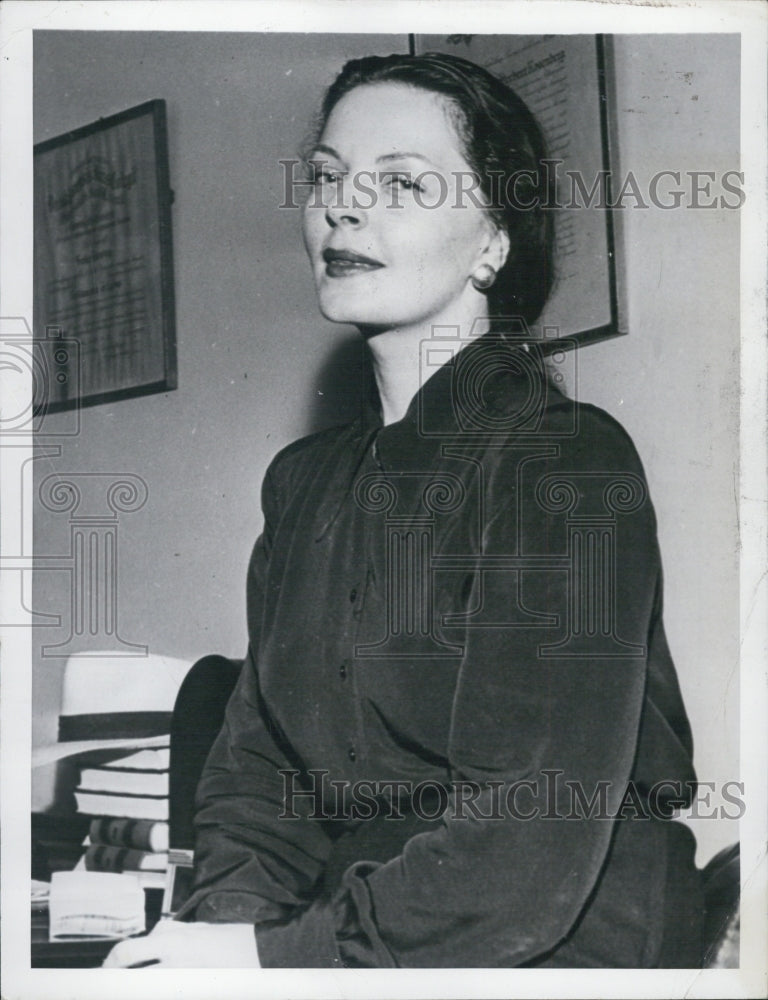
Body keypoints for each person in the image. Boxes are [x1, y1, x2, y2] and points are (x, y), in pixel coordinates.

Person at [105, 51, 703, 969]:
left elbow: (527, 846)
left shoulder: (567, 463)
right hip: (360, 932)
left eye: (403, 182)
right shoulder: (302, 485)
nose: (345, 205)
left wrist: (267, 964)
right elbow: (258, 776)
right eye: (329, 177)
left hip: (558, 947)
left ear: (495, 242)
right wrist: (219, 933)